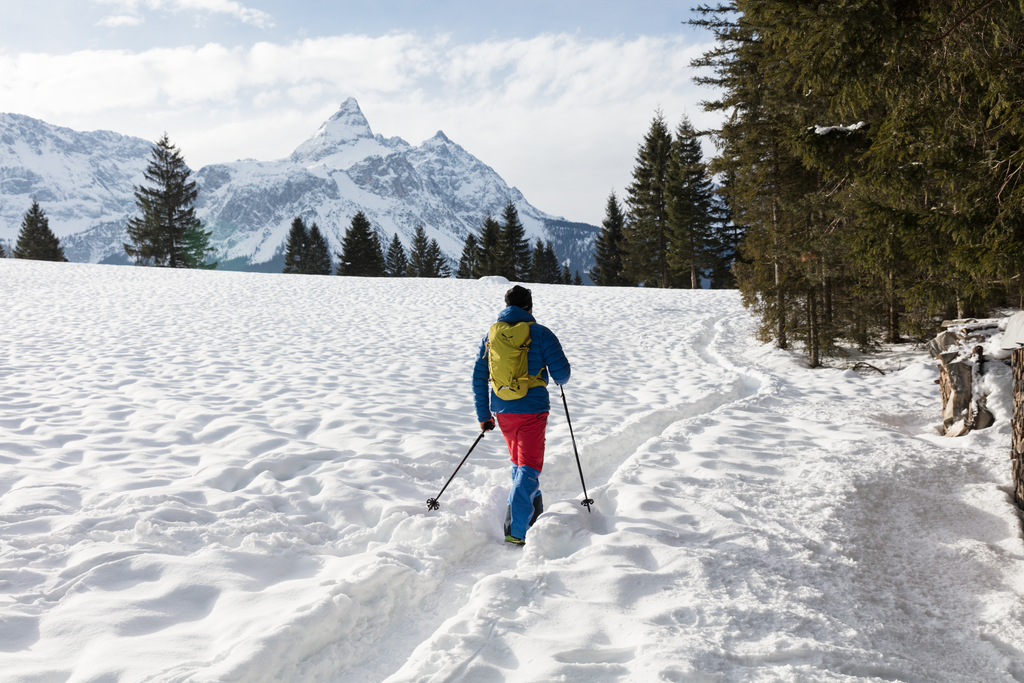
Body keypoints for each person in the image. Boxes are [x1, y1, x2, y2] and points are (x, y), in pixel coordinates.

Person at [472, 285, 571, 545]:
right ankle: (517, 530)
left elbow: (479, 377)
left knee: (519, 462)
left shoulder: (491, 337)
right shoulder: (541, 334)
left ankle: (531, 515)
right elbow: (562, 375)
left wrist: (484, 415)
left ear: (506, 307)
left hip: (503, 410)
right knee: (529, 466)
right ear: (530, 307)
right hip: (533, 410)